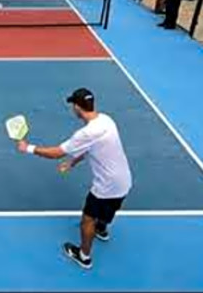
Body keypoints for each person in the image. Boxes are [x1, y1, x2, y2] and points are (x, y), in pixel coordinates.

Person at [16, 88, 132, 270]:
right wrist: (72, 163)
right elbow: (92, 147)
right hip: (124, 181)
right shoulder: (107, 120)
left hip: (106, 186)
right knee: (109, 208)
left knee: (87, 220)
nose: (73, 108)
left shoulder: (86, 133)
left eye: (73, 105)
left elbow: (56, 153)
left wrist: (28, 148)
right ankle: (101, 229)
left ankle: (84, 256)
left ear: (78, 107)